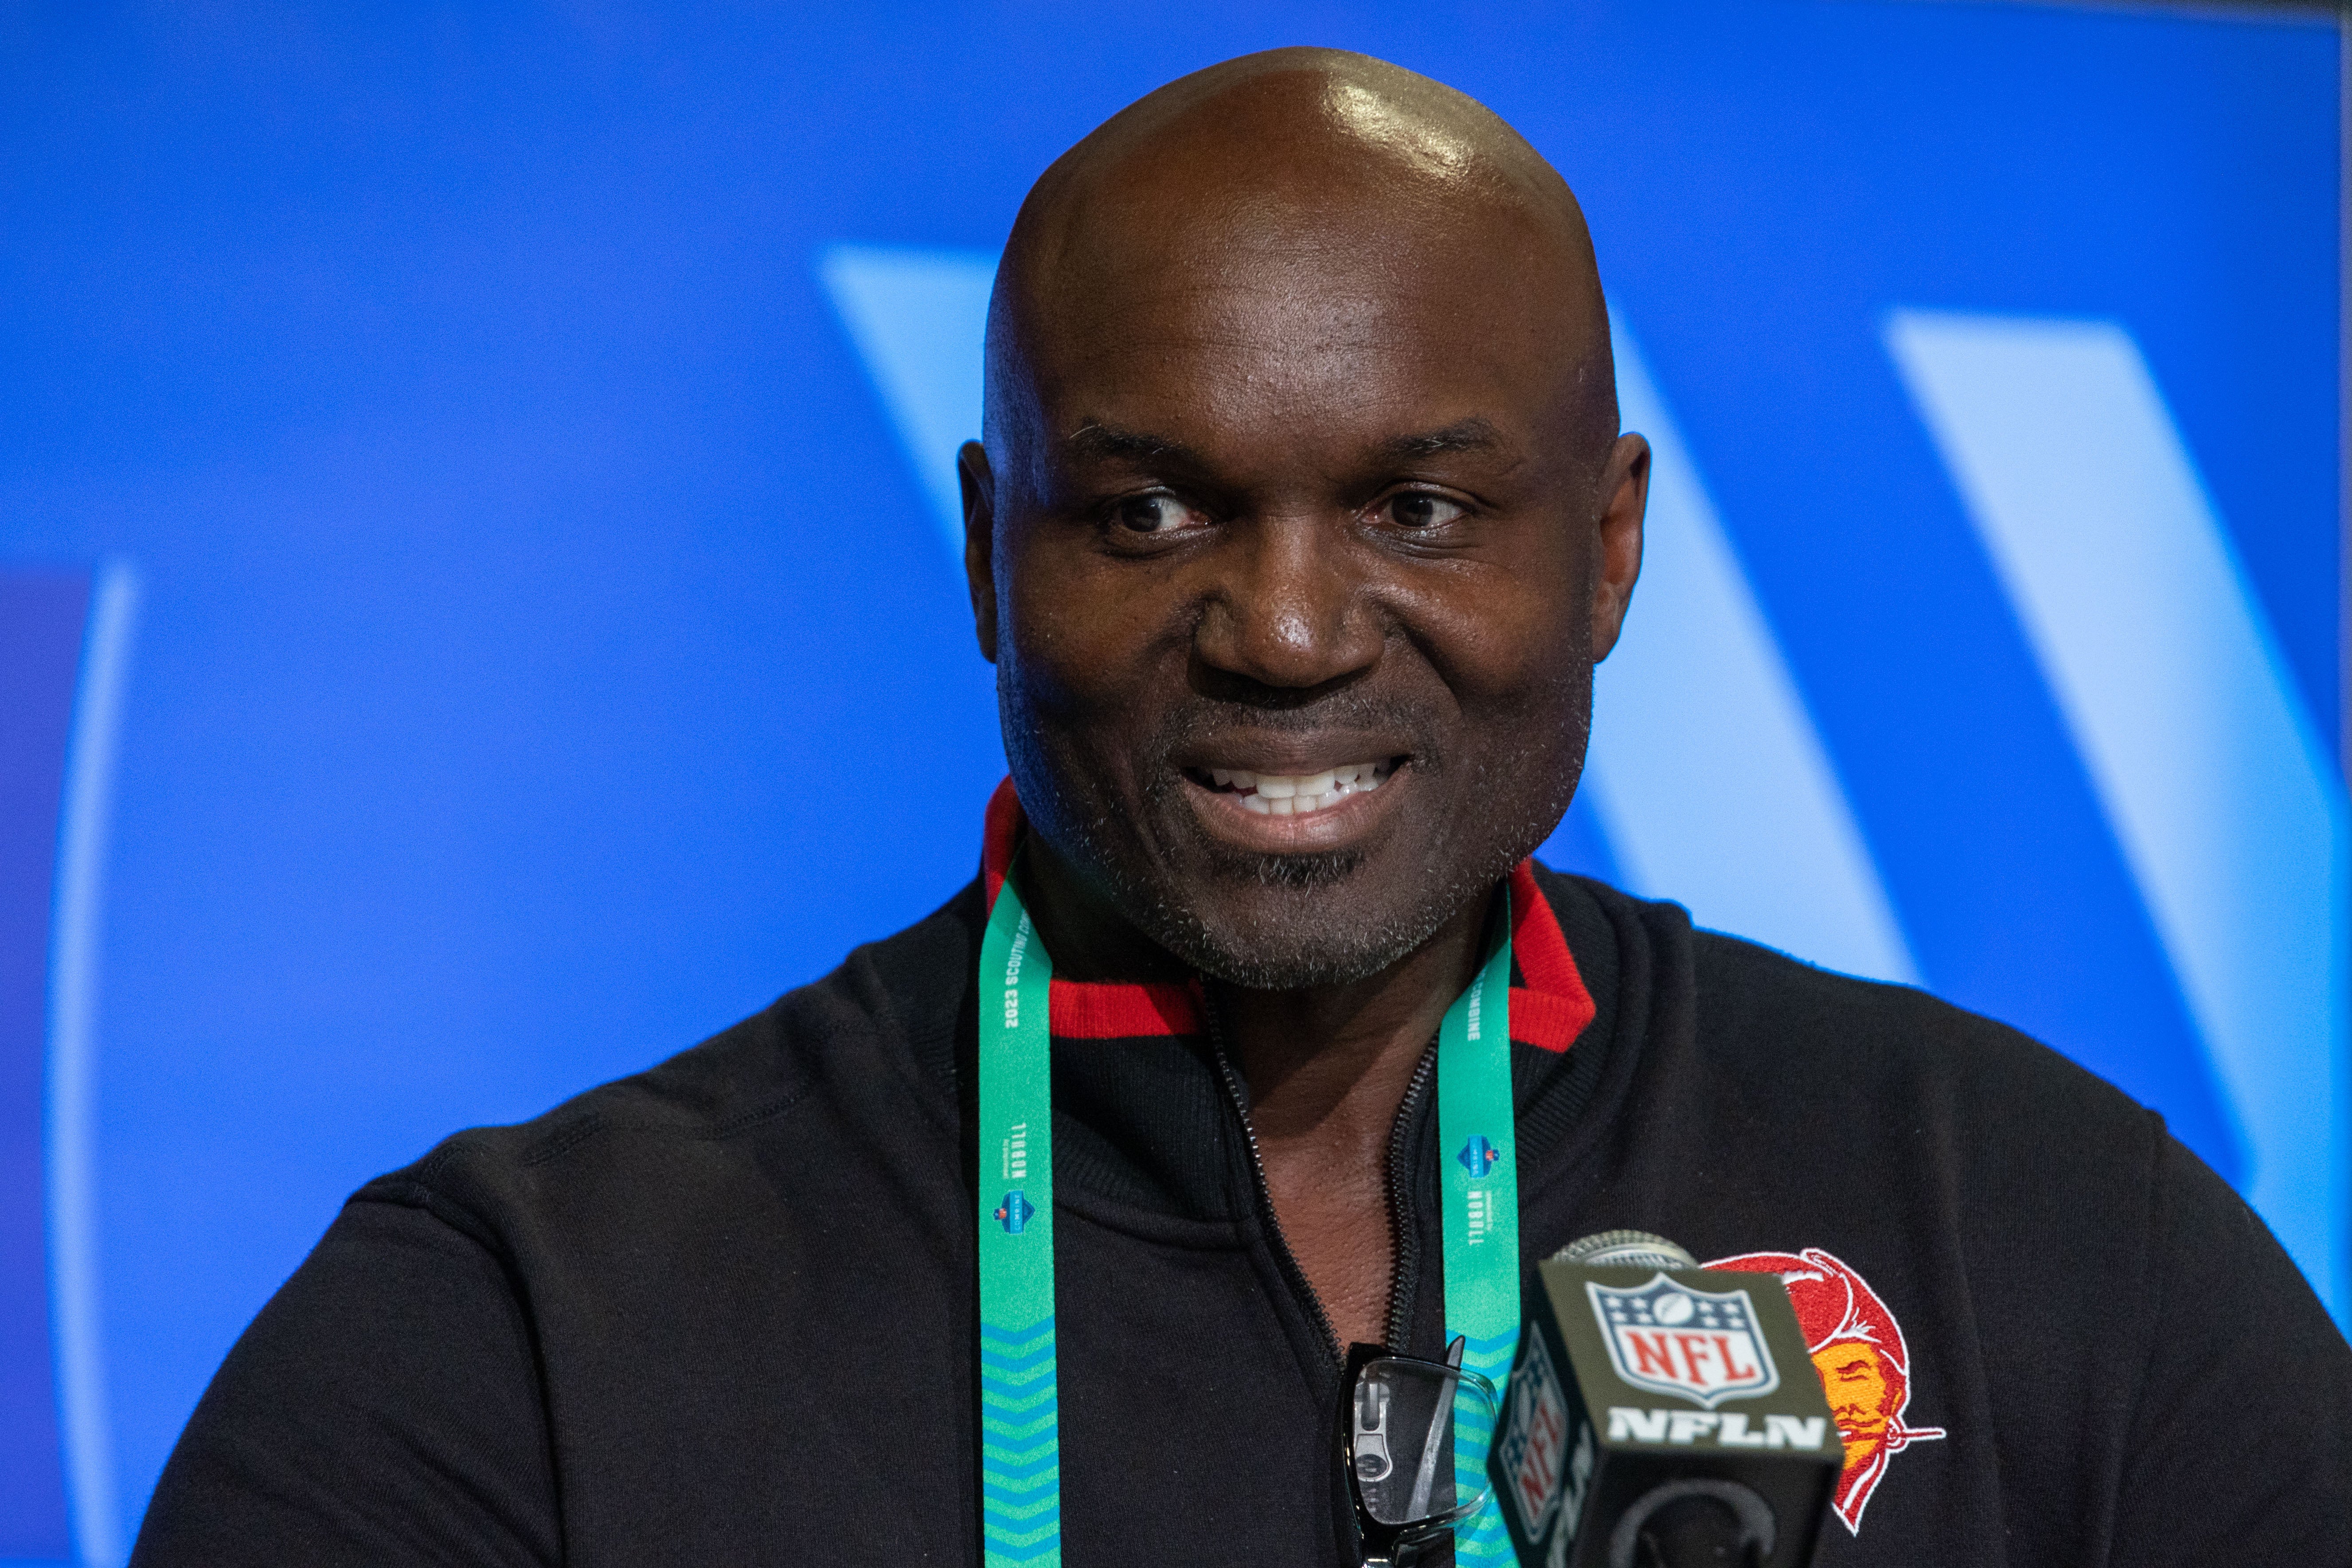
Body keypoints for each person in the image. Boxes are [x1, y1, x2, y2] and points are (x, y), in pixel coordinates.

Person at [131, 47, 2350, 1568]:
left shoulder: (2049, 1240)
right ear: (990, 547)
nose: (1286, 632)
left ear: (1608, 547)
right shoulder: (515, 1339)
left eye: (1412, 503)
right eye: (1153, 510)